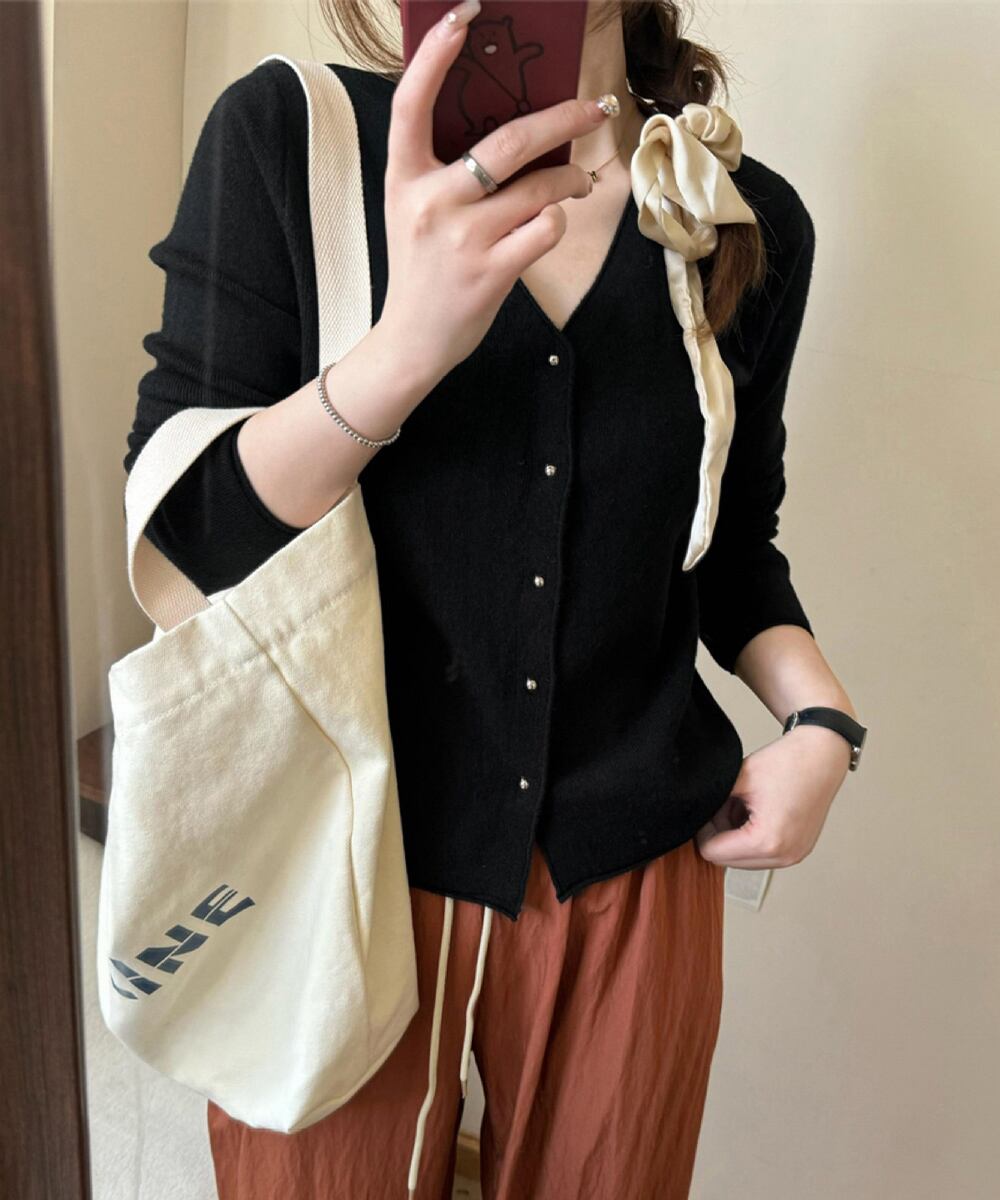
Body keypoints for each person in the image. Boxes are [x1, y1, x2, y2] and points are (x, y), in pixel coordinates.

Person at [123, 1, 865, 1196]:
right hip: (340, 857)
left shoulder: (736, 213)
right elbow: (193, 537)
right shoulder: (291, 139)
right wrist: (405, 345)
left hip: (631, 871)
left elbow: (728, 545)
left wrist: (821, 723)